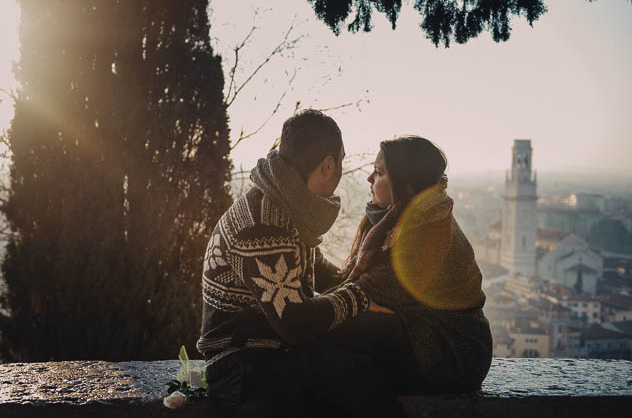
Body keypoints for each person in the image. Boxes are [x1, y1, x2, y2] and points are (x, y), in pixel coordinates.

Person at [197, 110, 394, 418]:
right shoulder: (264, 224)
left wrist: (369, 285)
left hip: (272, 352)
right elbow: (294, 322)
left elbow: (319, 273)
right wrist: (358, 297)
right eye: (341, 162)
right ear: (328, 165)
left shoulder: (285, 206)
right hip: (242, 365)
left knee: (367, 382)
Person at [334, 136, 493, 393]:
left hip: (452, 354)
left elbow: (360, 292)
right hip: (424, 333)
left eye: (379, 172)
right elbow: (357, 291)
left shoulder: (426, 233)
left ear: (406, 185)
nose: (369, 180)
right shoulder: (404, 219)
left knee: (336, 325)